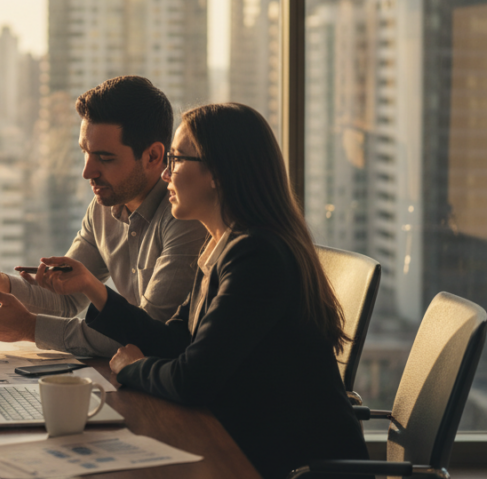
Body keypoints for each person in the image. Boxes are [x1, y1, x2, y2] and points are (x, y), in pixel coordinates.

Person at [37, 103, 369, 479]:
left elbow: (192, 379)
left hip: (290, 465)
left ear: (217, 173)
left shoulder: (256, 256)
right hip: (249, 445)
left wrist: (133, 368)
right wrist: (93, 289)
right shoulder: (221, 245)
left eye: (176, 160)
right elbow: (174, 339)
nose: (164, 175)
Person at [0, 76, 207, 356]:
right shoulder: (103, 208)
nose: (87, 172)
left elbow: (148, 335)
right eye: (85, 153)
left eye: (105, 158)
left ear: (153, 156)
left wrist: (30, 328)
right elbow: (66, 299)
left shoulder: (186, 219)